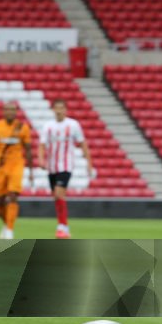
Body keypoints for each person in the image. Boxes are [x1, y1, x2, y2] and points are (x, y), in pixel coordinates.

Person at [37, 98, 95, 239]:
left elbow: (82, 143)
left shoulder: (73, 125)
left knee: (58, 194)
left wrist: (89, 163)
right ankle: (64, 226)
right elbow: (42, 145)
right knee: (57, 197)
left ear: (65, 110)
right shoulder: (48, 126)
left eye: (62, 108)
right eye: (57, 108)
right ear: (53, 110)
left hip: (66, 165)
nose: (59, 110)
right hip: (52, 167)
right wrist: (41, 159)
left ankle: (61, 226)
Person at [0, 101, 33, 239]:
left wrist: (31, 171)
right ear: (3, 112)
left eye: (13, 110)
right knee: (0, 200)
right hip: (0, 166)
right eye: (7, 110)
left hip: (17, 165)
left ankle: (9, 230)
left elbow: (27, 149)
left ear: (16, 112)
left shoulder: (22, 127)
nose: (10, 112)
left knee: (13, 195)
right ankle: (5, 224)